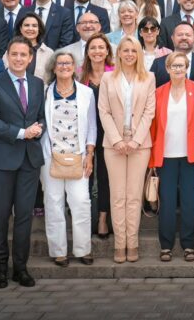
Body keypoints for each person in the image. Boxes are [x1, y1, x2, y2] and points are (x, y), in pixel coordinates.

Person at [0, 37, 47, 289]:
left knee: (24, 217)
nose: (19, 58)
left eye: (24, 55)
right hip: (3, 158)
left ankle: (20, 267)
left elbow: (41, 116)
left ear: (31, 58)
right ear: (7, 56)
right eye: (14, 54)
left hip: (30, 160)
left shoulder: (38, 84)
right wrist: (21, 133)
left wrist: (38, 128)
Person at [149, 51, 194, 262]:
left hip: (191, 154)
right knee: (166, 201)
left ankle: (188, 245)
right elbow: (153, 128)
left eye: (182, 66)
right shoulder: (158, 92)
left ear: (187, 68)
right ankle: (165, 245)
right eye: (174, 66)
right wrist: (152, 160)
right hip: (165, 155)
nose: (178, 69)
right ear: (167, 69)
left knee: (189, 200)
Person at [98, 36, 156, 263]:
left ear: (139, 53)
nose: (130, 54)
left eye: (134, 50)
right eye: (125, 50)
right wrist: (116, 140)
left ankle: (133, 243)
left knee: (133, 197)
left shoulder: (148, 78)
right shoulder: (107, 78)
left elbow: (149, 112)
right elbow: (104, 111)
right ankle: (119, 244)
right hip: (113, 145)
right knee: (117, 197)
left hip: (140, 145)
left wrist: (135, 141)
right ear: (119, 53)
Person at [40, 50, 97, 267]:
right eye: (60, 63)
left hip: (79, 156)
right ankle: (58, 252)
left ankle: (83, 249)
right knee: (53, 203)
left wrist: (90, 155)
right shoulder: (45, 92)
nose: (64, 67)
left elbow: (92, 126)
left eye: (69, 63)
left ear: (75, 68)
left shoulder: (86, 93)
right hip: (50, 157)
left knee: (81, 202)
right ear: (54, 68)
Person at [79, 33, 115, 240]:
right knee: (85, 177)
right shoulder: (79, 75)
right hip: (85, 134)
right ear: (87, 52)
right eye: (93, 48)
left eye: (101, 47)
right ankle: (85, 219)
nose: (97, 51)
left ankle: (102, 219)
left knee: (105, 178)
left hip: (109, 133)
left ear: (108, 51)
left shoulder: (116, 74)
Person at [10, 13, 54, 83]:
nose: (30, 28)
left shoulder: (49, 53)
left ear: (39, 29)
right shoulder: (11, 50)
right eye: (26, 25)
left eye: (34, 26)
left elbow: (51, 80)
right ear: (21, 29)